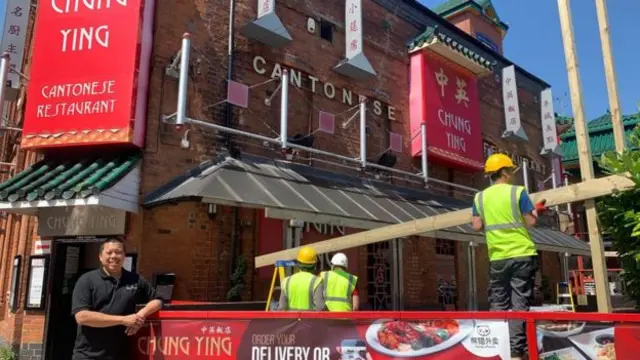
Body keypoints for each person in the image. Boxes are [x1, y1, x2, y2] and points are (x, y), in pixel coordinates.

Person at [471, 153, 547, 360]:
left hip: (497, 256)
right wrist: (536, 211)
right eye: (511, 170)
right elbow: (531, 222)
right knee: (519, 300)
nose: (513, 174)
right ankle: (516, 350)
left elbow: (476, 225)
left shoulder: (480, 197)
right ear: (504, 172)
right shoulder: (517, 192)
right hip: (522, 253)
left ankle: (499, 345)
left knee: (498, 301)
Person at [71, 238, 163, 360]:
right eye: (109, 253)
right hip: (89, 355)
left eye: (118, 252)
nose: (114, 256)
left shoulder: (135, 279)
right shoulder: (87, 280)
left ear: (124, 256)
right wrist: (123, 320)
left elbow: (158, 301)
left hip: (122, 354)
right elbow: (82, 317)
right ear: (100, 256)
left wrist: (140, 315)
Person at [278, 246, 325, 311]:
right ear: (314, 265)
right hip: (310, 320)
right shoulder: (316, 281)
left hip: (292, 321)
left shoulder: (287, 281)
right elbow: (320, 308)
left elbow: (281, 308)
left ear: (298, 263)